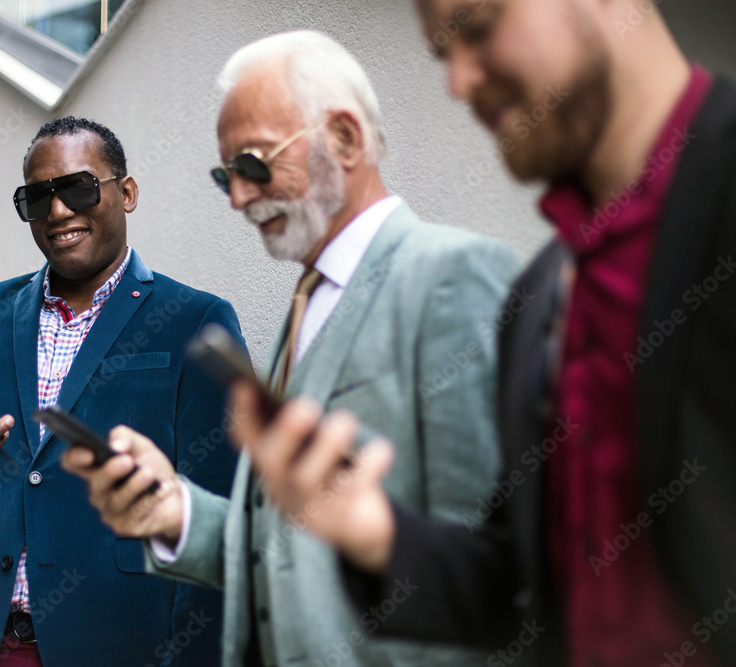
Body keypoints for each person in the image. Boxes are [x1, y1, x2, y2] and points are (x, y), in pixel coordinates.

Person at [230, 2, 736, 666]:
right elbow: (519, 591)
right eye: (443, 54)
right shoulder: (540, 296)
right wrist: (376, 531)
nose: (459, 82)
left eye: (478, 26)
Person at [62, 31, 520, 667]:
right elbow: (285, 556)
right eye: (227, 177)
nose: (241, 198)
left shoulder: (452, 276)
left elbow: (491, 573)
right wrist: (175, 512)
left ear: (346, 139)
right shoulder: (310, 299)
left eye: (253, 165)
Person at [0, 116, 241, 667]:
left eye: (77, 187)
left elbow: (222, 517)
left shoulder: (195, 321)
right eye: (37, 198)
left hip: (121, 649)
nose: (59, 212)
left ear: (128, 192)